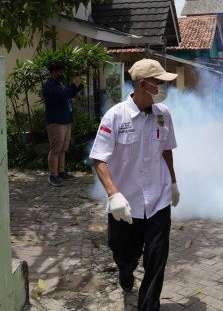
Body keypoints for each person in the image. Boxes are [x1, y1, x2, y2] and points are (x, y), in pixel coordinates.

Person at [89, 59, 180, 311]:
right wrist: (113, 194)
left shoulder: (163, 114)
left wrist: (172, 182)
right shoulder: (115, 116)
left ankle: (148, 306)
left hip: (158, 200)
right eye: (160, 83)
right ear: (144, 84)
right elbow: (99, 158)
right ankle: (126, 272)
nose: (164, 88)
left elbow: (167, 150)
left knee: (156, 258)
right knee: (123, 253)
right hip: (125, 202)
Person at [42, 60, 83, 186]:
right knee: (55, 149)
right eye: (59, 71)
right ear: (53, 72)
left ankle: (61, 172)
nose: (62, 73)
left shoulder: (59, 83)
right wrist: (73, 85)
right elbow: (62, 95)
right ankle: (53, 175)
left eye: (62, 71)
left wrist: (77, 87)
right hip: (56, 121)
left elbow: (68, 94)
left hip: (65, 121)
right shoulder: (49, 85)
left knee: (63, 148)